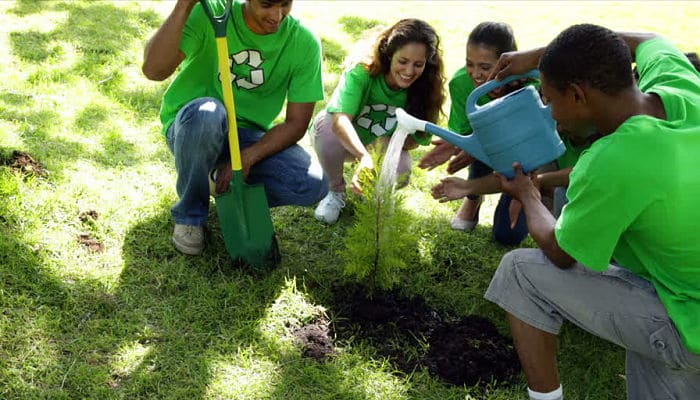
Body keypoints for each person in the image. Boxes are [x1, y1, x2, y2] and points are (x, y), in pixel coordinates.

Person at [481, 24, 700, 400]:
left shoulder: (613, 159)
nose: (549, 113)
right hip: (681, 290)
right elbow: (647, 40)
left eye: (549, 100)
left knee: (518, 273)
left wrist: (529, 193)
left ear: (578, 94)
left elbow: (560, 251)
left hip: (688, 323)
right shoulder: (681, 85)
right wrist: (537, 57)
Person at [142, 0, 328, 255]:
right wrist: (184, 6)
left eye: (285, 4)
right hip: (194, 125)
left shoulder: (303, 43)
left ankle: (215, 182)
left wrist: (248, 157)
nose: (277, 15)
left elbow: (296, 124)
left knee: (313, 184)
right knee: (209, 114)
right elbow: (154, 70)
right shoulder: (211, 13)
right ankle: (190, 215)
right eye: (266, 5)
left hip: (246, 136)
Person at [312, 18, 446, 224]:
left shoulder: (427, 88)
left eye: (418, 64)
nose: (409, 71)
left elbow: (414, 141)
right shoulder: (363, 72)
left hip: (379, 146)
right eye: (403, 61)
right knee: (326, 125)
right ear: (389, 54)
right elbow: (340, 121)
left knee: (401, 168)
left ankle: (370, 196)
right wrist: (364, 157)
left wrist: (380, 149)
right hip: (346, 141)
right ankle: (335, 191)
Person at [418, 22, 528, 245]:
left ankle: (520, 192)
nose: (476, 74)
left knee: (507, 236)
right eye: (470, 64)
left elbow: (533, 143)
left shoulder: (532, 86)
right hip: (487, 149)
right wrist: (456, 145)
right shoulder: (461, 83)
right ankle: (473, 198)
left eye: (485, 67)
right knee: (477, 139)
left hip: (525, 159)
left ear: (506, 63)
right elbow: (467, 131)